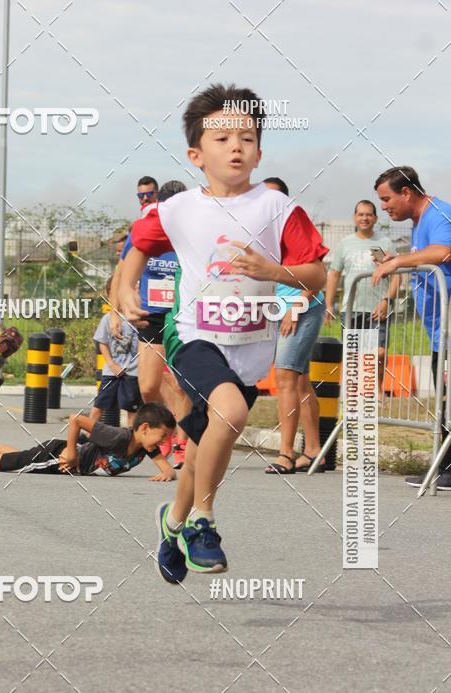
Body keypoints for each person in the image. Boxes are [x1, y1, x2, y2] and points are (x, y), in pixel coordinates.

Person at [119, 83, 328, 581]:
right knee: (230, 412)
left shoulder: (278, 209)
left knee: (201, 445)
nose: (236, 145)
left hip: (250, 346)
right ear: (196, 154)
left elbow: (317, 274)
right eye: (222, 138)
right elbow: (137, 248)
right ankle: (202, 523)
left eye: (247, 137)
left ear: (259, 152)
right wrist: (125, 289)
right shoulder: (177, 210)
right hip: (192, 334)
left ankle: (171, 524)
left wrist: (275, 271)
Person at [372, 165, 451, 490]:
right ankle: (444, 465)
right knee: (445, 402)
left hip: (449, 329)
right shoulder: (419, 224)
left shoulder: (438, 214)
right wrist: (396, 258)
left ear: (407, 192)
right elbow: (426, 257)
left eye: (387, 198)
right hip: (439, 333)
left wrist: (397, 262)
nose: (384, 207)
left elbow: (444, 251)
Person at [116, 179, 191, 466]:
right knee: (148, 387)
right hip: (151, 315)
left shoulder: (193, 232)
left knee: (183, 385)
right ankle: (172, 421)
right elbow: (123, 271)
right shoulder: (147, 229)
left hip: (183, 315)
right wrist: (117, 309)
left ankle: (182, 441)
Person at [0, 402, 178, 481]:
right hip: (59, 457)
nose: (164, 442)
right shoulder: (119, 436)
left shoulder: (145, 448)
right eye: (163, 435)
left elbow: (166, 468)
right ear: (143, 428)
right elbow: (76, 419)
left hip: (56, 456)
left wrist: (167, 474)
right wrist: (71, 452)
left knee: (20, 455)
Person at [262, 177, 326, 474]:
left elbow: (319, 276)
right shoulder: (263, 235)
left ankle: (285, 454)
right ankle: (314, 451)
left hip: (303, 307)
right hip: (278, 311)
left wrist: (295, 310)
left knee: (286, 377)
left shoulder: (294, 229)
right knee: (299, 382)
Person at [325, 199, 399, 392]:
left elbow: (395, 277)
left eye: (368, 214)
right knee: (353, 355)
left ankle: (378, 390)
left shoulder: (382, 244)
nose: (364, 218)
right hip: (351, 309)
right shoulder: (345, 244)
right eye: (361, 214)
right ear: (354, 217)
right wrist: (329, 304)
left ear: (375, 218)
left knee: (379, 353)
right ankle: (354, 394)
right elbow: (334, 274)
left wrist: (386, 301)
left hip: (377, 309)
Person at [92, 310, 141, 427]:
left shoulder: (138, 317)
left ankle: (131, 440)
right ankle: (88, 436)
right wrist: (111, 364)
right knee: (99, 405)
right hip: (111, 372)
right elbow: (102, 343)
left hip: (133, 372)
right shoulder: (108, 318)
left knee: (132, 409)